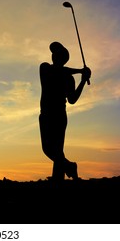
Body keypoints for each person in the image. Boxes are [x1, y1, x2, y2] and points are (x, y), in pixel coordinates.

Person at [39, 41, 91, 181]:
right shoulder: (45, 68)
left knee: (54, 150)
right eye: (54, 54)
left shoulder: (68, 78)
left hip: (58, 116)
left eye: (56, 54)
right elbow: (59, 71)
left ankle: (59, 178)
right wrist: (81, 71)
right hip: (46, 115)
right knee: (50, 150)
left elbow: (72, 99)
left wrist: (82, 81)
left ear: (61, 58)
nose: (53, 56)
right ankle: (69, 167)